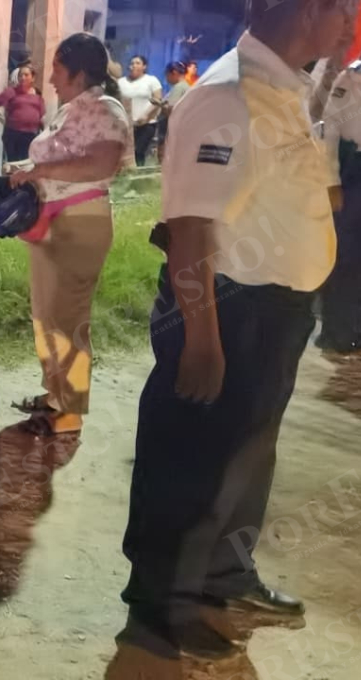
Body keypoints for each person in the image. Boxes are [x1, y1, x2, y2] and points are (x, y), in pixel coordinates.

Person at [120, 0, 351, 660]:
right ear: (308, 10)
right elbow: (190, 226)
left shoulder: (285, 87)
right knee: (193, 460)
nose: (350, 26)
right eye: (344, 11)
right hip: (227, 309)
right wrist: (202, 338)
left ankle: (224, 578)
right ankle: (162, 606)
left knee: (245, 459)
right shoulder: (225, 97)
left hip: (274, 313)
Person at [7, 33, 132, 436]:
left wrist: (39, 171)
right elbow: (61, 156)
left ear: (79, 72)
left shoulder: (104, 107)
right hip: (49, 221)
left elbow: (101, 163)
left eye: (58, 70)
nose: (51, 79)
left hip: (81, 222)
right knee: (45, 314)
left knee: (69, 316)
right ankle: (55, 394)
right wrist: (23, 167)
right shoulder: (69, 109)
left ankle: (71, 409)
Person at [320, 58, 361, 354]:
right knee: (345, 254)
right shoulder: (350, 74)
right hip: (353, 169)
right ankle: (337, 331)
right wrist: (331, 178)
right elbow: (330, 126)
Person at [0, 64, 45, 163]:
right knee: (13, 163)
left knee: (27, 163)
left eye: (26, 75)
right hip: (13, 134)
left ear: (33, 78)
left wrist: (45, 134)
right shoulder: (11, 92)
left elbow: (41, 118)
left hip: (31, 135)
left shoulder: (38, 95)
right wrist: (2, 120)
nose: (22, 78)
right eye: (20, 75)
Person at [118, 55, 163, 167]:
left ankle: (138, 177)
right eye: (132, 63)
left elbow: (157, 100)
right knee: (124, 154)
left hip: (146, 123)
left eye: (138, 63)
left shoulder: (151, 80)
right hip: (126, 124)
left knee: (138, 151)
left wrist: (146, 115)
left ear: (144, 66)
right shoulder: (121, 82)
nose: (134, 66)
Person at [154, 61, 191, 164]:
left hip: (169, 132)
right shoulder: (186, 86)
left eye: (167, 75)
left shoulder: (179, 87)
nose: (166, 78)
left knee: (164, 160)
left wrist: (159, 104)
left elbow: (172, 109)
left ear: (174, 73)